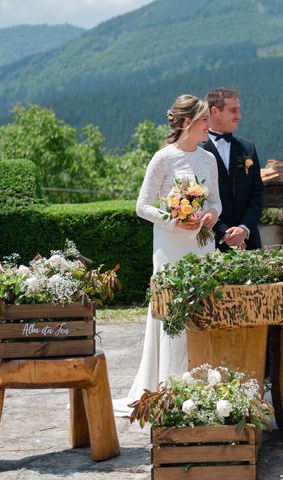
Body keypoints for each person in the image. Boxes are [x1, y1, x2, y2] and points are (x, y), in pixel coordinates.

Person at [113, 95, 221, 416]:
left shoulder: (209, 159)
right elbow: (142, 206)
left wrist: (211, 214)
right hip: (170, 246)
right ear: (188, 122)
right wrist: (174, 218)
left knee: (202, 307)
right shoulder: (162, 159)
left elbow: (216, 200)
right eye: (204, 121)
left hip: (202, 243)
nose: (209, 126)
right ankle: (166, 382)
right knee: (169, 309)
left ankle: (201, 379)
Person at [201, 87, 264, 251]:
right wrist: (222, 231)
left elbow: (257, 194)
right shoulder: (197, 150)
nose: (239, 116)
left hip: (249, 242)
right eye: (233, 110)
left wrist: (244, 228)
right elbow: (198, 199)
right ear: (214, 111)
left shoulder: (247, 147)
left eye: (239, 110)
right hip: (211, 242)